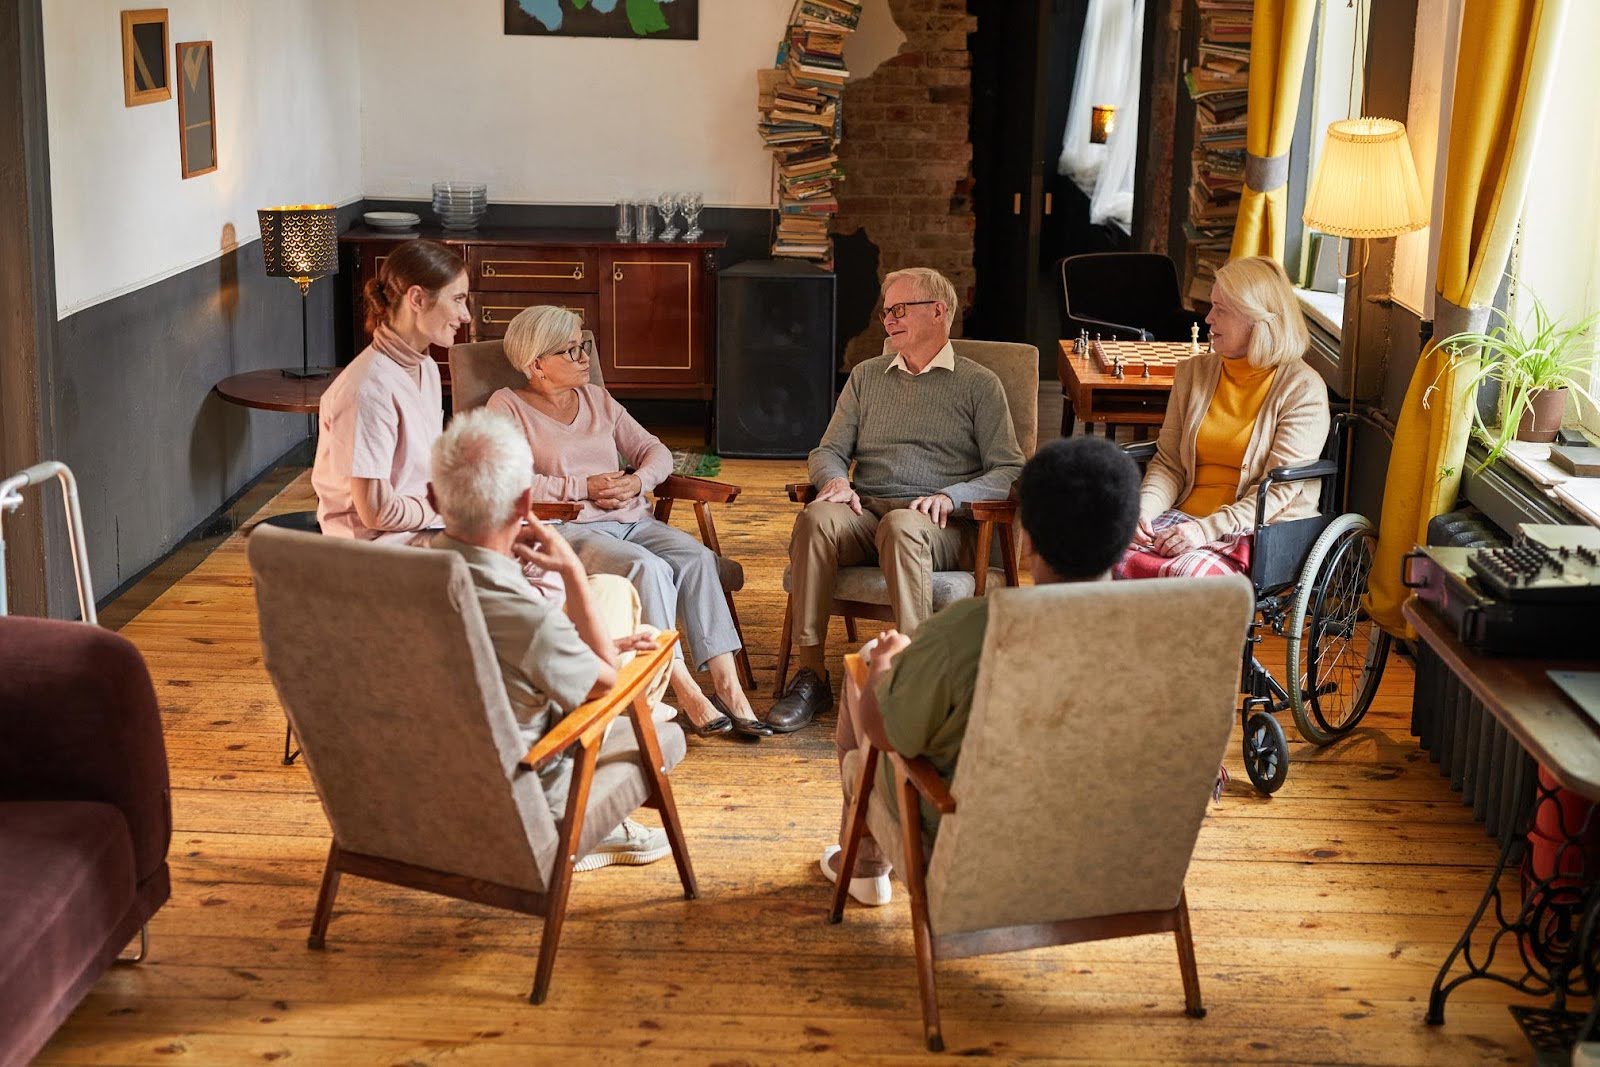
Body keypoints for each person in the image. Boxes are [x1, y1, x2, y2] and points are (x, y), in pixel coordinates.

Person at [822, 437, 1141, 905]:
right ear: (1129, 535)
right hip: (1109, 862)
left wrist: (884, 667)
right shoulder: (1161, 632)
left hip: (969, 858)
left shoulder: (973, 628)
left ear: (1026, 537)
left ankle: (866, 864)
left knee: (867, 665)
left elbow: (885, 733)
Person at [487, 305, 770, 740]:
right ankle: (681, 685)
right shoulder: (506, 407)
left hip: (631, 519)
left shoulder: (597, 400)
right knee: (648, 567)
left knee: (697, 559)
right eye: (571, 351)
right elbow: (508, 481)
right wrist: (582, 486)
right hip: (568, 529)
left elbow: (655, 450)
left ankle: (729, 688)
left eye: (583, 347)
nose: (585, 358)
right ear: (537, 364)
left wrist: (637, 481)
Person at [771, 266, 1025, 734]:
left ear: (938, 312)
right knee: (816, 518)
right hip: (866, 514)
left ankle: (912, 675)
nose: (888, 318)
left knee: (903, 524)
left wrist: (953, 495)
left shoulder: (978, 384)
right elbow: (828, 450)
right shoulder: (867, 377)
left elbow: (1009, 468)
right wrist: (835, 481)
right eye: (886, 310)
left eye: (900, 309)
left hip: (941, 528)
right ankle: (811, 674)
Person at [427, 408, 675, 872]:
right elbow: (603, 687)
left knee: (618, 608)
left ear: (432, 496)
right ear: (526, 505)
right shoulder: (528, 617)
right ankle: (593, 828)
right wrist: (575, 574)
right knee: (656, 707)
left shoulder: (394, 577)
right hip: (529, 798)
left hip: (423, 785)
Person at [1116, 255, 1330, 580]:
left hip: (1252, 530)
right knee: (1097, 552)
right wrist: (1143, 511)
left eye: (1221, 309)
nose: (1208, 318)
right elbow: (1170, 463)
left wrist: (1204, 530)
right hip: (1181, 517)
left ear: (1257, 319)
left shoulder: (1303, 389)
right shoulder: (1193, 373)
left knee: (1185, 578)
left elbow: (1276, 493)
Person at [313, 239, 467, 544]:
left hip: (423, 530)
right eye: (458, 299)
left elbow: (421, 475)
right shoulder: (367, 390)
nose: (466, 316)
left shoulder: (427, 368)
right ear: (418, 299)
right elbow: (378, 514)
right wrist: (449, 509)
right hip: (375, 549)